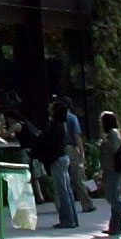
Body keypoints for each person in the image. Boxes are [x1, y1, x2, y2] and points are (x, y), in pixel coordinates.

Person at [34, 95, 80, 229]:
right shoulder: (61, 124)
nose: (49, 108)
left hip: (57, 159)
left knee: (62, 191)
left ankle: (67, 220)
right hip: (62, 157)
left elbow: (50, 143)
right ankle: (72, 219)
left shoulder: (56, 125)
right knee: (67, 190)